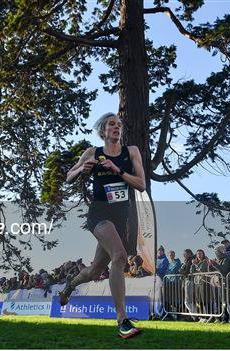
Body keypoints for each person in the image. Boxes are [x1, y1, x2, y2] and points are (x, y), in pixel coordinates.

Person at [62, 112, 145, 338]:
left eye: (119, 124)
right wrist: (82, 170)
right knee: (119, 256)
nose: (117, 127)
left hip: (121, 218)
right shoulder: (93, 152)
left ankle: (70, 285)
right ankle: (122, 321)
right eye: (112, 124)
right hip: (99, 215)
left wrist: (118, 170)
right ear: (103, 131)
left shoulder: (132, 152)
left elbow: (141, 185)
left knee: (95, 270)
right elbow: (69, 177)